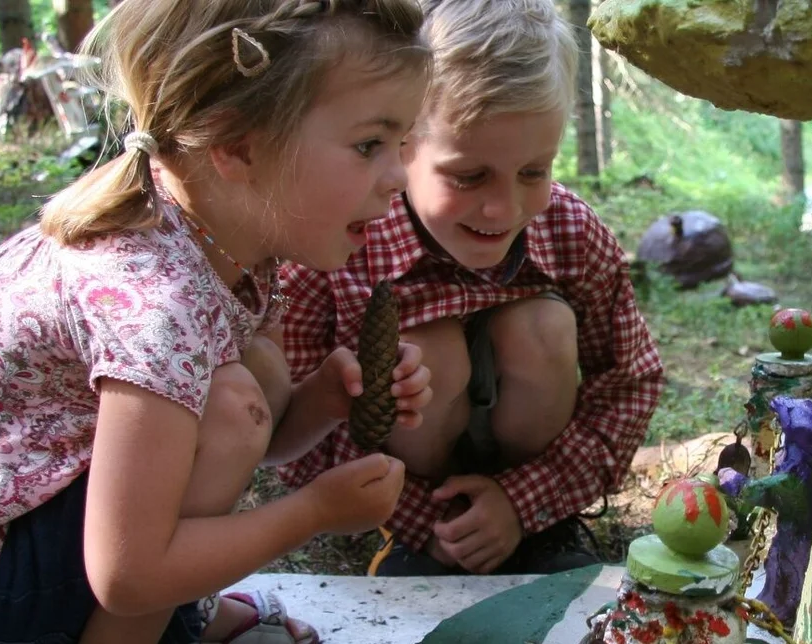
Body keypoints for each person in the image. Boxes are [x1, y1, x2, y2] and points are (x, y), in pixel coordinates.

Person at [0, 1, 434, 642]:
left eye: (402, 143)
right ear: (235, 145)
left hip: (39, 525)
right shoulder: (156, 299)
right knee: (231, 403)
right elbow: (128, 574)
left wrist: (326, 400)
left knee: (246, 390)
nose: (398, 175)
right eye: (370, 144)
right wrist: (309, 513)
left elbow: (258, 432)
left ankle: (175, 615)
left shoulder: (229, 242)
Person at [274, 0, 664, 577]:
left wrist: (524, 499)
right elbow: (295, 428)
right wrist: (411, 514)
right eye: (468, 176)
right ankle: (428, 536)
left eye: (534, 172)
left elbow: (629, 381)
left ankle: (541, 532)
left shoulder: (569, 230)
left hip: (528, 455)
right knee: (428, 352)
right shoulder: (338, 244)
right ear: (404, 144)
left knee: (542, 327)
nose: (504, 208)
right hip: (406, 472)